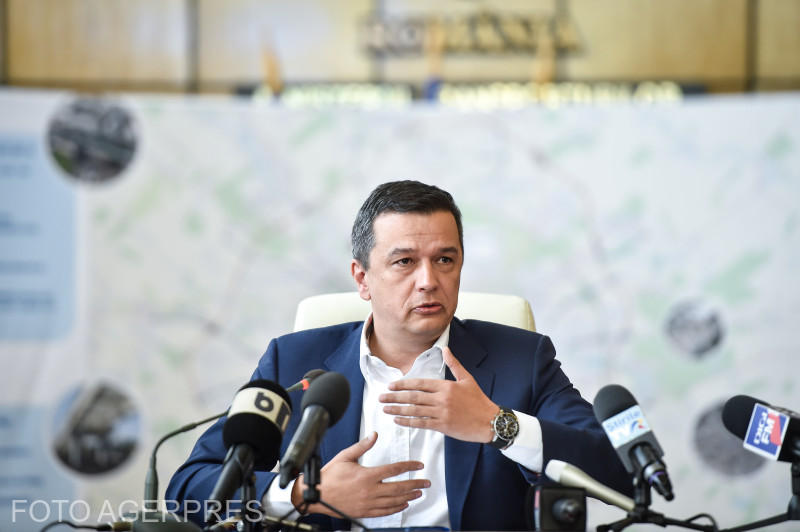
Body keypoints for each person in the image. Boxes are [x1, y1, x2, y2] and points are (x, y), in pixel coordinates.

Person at [166, 180, 632, 530]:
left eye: (444, 260)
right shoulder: (294, 362)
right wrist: (305, 492)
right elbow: (189, 490)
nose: (428, 281)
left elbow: (619, 471)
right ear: (362, 278)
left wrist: (498, 424)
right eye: (405, 261)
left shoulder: (520, 360)